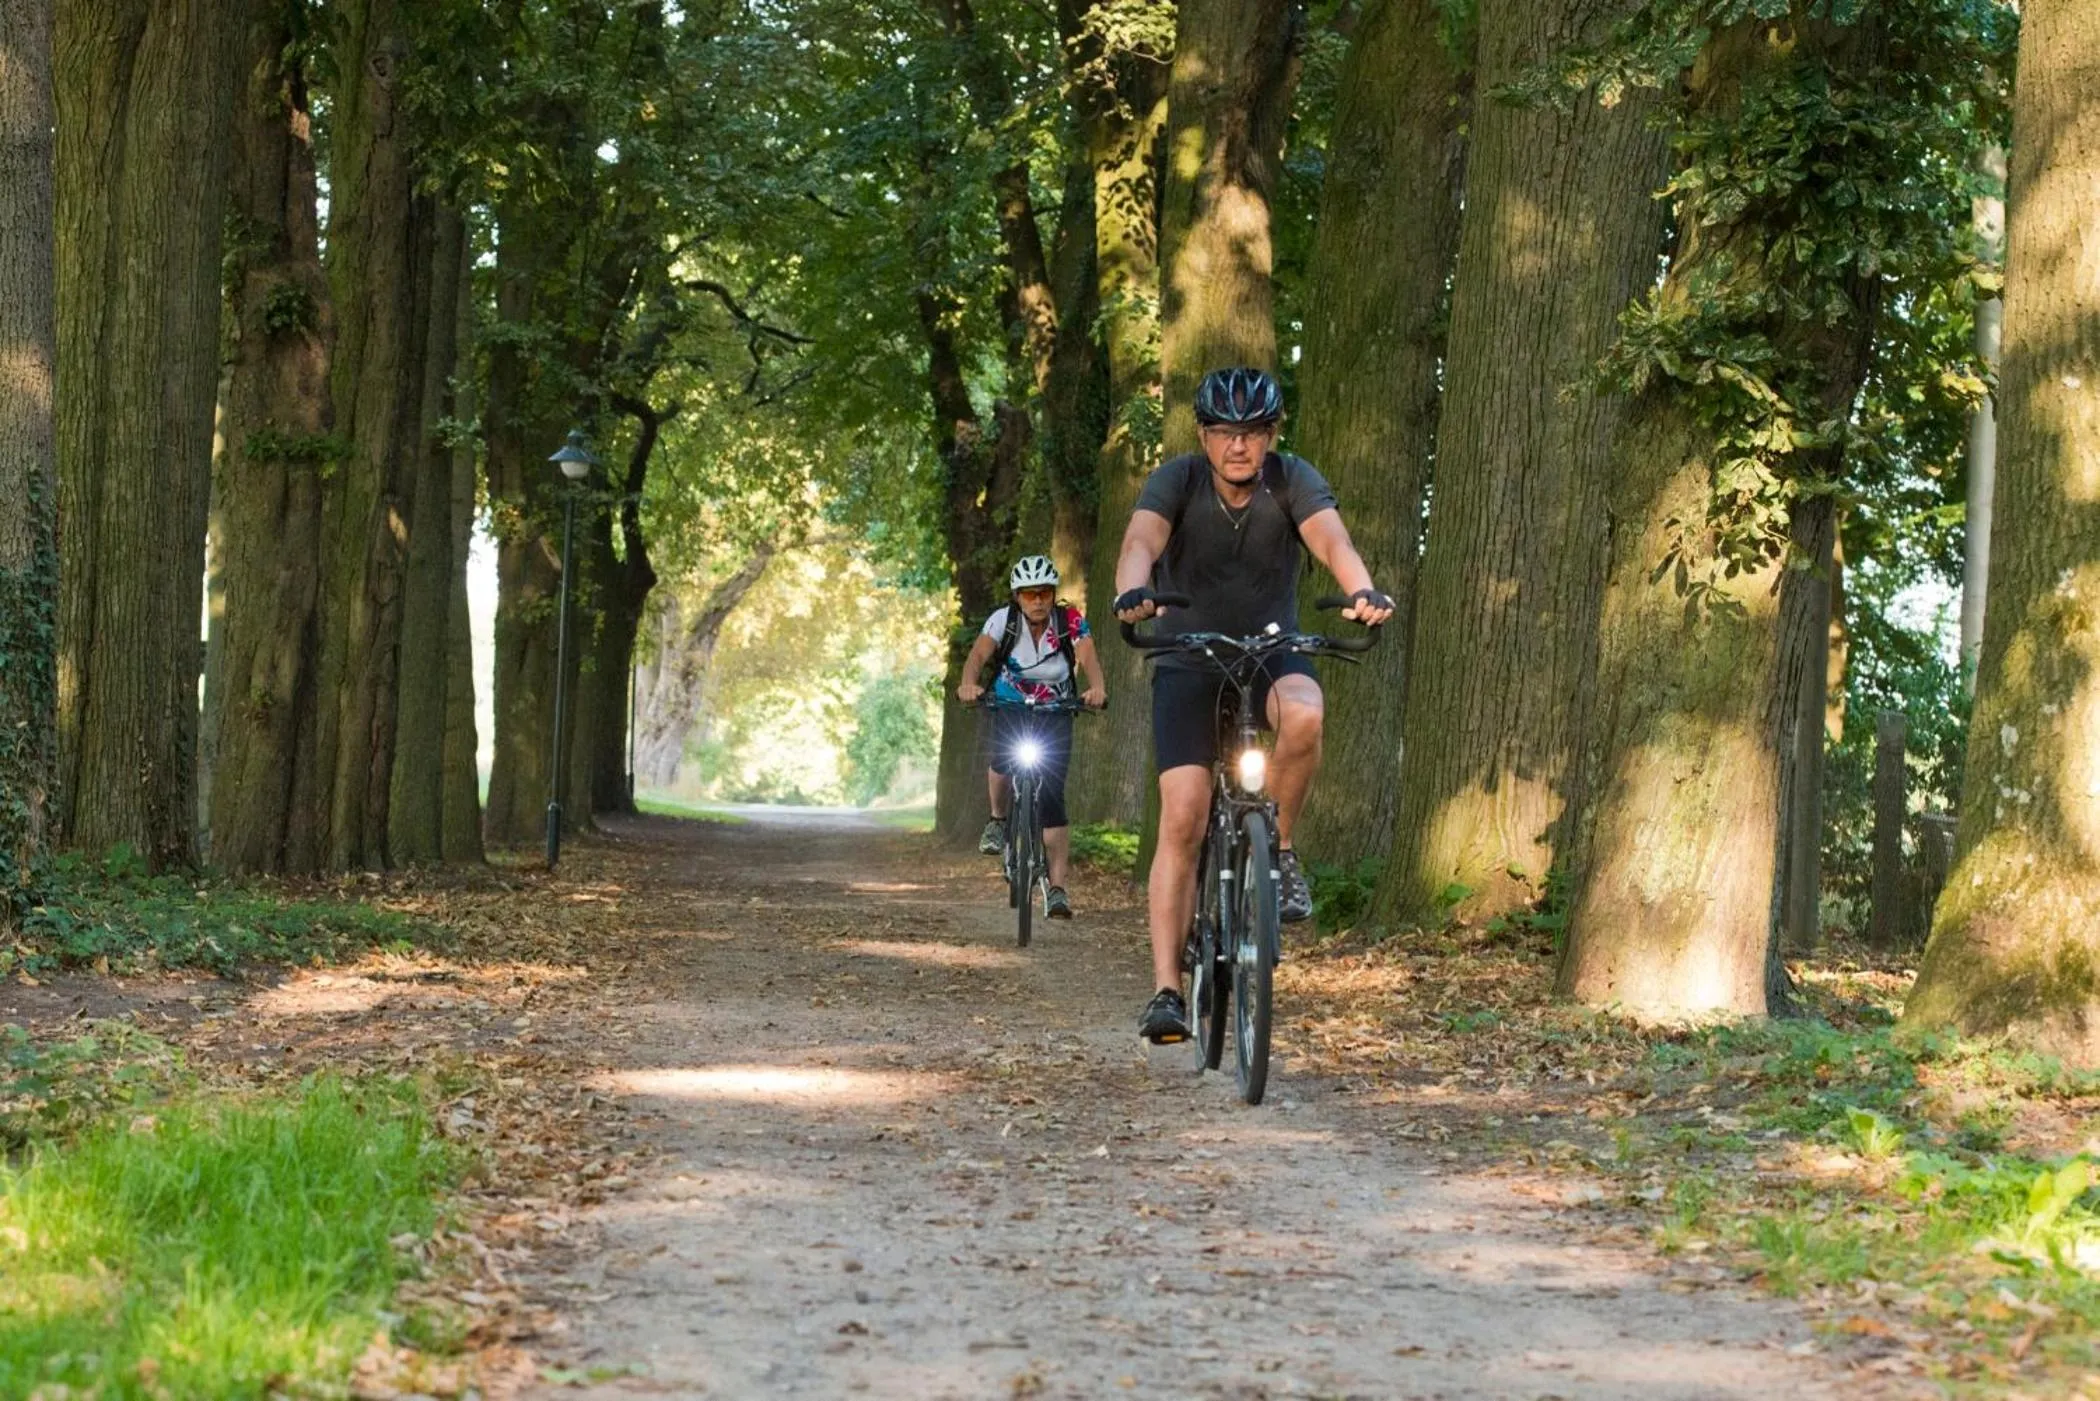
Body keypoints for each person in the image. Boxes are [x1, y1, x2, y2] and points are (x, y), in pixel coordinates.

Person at [1111, 367, 1394, 1043]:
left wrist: (1361, 589)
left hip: (1271, 650)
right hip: (1188, 655)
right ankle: (1166, 990)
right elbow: (1140, 541)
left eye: (1253, 431)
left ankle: (1280, 852)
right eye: (1224, 432)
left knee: (1305, 712)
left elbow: (1332, 541)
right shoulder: (1177, 480)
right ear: (1203, 435)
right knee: (1184, 814)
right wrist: (1133, 591)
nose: (1238, 445)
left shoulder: (1291, 479)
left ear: (1272, 434)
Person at [956, 555, 1107, 920]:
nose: (1037, 600)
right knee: (1002, 760)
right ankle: (997, 819)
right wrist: (968, 684)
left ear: (1053, 594)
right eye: (1029, 594)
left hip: (1056, 709)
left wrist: (1097, 688)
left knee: (1053, 796)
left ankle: (1057, 890)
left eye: (1044, 593)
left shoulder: (1070, 621)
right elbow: (977, 656)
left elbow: (1088, 657)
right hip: (1010, 704)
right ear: (1017, 597)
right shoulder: (1003, 621)